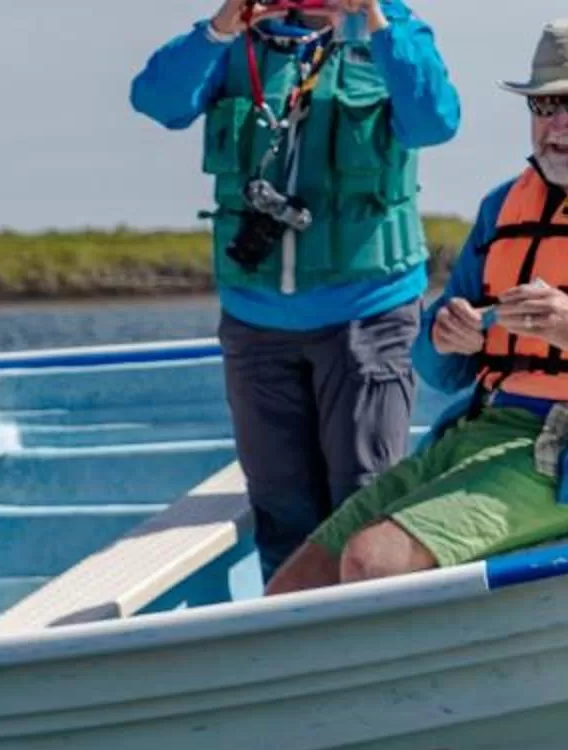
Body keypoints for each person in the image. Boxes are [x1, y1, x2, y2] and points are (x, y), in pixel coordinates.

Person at [266, 16, 568, 595]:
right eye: (543, 107)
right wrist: (446, 338)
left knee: (373, 563)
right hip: (482, 433)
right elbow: (437, 370)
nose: (559, 126)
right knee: (293, 587)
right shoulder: (505, 206)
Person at [130, 0, 461, 579]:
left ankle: (368, 639)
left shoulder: (393, 32)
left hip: (368, 315)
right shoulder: (235, 39)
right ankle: (294, 637)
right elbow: (157, 100)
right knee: (280, 505)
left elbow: (434, 120)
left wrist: (375, 21)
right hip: (256, 325)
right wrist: (219, 28)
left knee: (366, 497)